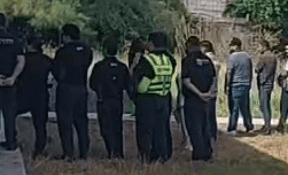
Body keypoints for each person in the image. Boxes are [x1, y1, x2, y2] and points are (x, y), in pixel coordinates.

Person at [133, 31, 176, 163]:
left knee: (145, 130)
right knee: (161, 129)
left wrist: (135, 64)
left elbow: (141, 84)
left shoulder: (147, 60)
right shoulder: (171, 59)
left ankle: (146, 157)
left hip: (148, 98)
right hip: (164, 98)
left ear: (151, 43)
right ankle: (161, 156)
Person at [0, 13, 25, 151]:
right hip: (10, 82)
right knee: (10, 114)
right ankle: (11, 142)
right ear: (5, 24)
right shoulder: (14, 40)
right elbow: (21, 61)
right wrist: (13, 77)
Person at [53, 24, 93, 159]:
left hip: (66, 87)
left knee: (65, 121)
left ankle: (68, 153)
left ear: (66, 36)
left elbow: (57, 71)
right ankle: (84, 152)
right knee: (81, 121)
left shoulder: (62, 52)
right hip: (81, 88)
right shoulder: (87, 50)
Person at [90, 37, 133, 158]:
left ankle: (111, 151)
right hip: (117, 100)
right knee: (117, 127)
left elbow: (92, 84)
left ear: (104, 50)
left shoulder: (99, 66)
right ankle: (118, 152)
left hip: (104, 100)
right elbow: (128, 85)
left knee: (106, 128)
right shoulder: (122, 67)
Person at [182, 36, 217, 161]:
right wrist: (209, 93)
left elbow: (186, 81)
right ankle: (208, 153)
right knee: (206, 127)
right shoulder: (207, 59)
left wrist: (199, 94)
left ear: (189, 46)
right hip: (207, 99)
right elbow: (214, 78)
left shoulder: (187, 60)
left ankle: (199, 154)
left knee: (194, 127)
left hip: (193, 99)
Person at [16, 36, 52, 158]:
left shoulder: (22, 60)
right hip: (41, 94)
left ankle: (13, 140)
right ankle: (39, 151)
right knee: (40, 125)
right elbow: (51, 78)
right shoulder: (46, 60)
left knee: (11, 116)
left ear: (28, 45)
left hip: (23, 94)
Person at [225, 37, 253, 136]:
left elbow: (229, 72)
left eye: (232, 46)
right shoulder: (247, 56)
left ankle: (232, 127)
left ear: (235, 46)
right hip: (245, 84)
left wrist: (227, 86)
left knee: (234, 107)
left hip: (235, 84)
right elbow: (250, 71)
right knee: (245, 106)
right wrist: (249, 83)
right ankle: (249, 126)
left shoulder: (232, 57)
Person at [255, 39, 277, 134]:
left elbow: (257, 68)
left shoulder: (264, 57)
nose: (258, 48)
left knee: (264, 105)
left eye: (259, 46)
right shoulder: (273, 56)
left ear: (264, 46)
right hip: (270, 82)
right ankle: (266, 124)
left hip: (264, 83)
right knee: (266, 104)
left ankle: (267, 127)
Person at [201, 40, 219, 143]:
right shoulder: (215, 59)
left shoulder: (207, 60)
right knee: (212, 114)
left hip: (206, 90)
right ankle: (213, 134)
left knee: (206, 115)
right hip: (214, 90)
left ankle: (208, 135)